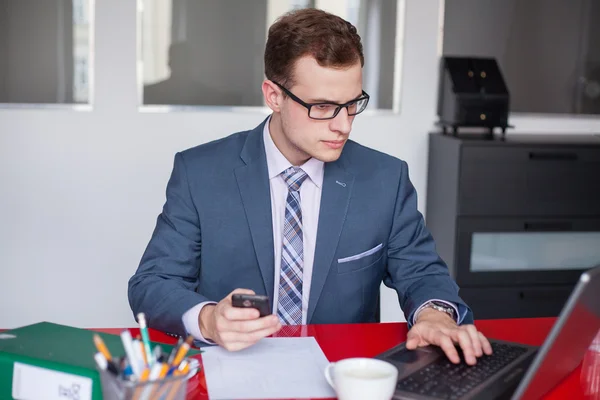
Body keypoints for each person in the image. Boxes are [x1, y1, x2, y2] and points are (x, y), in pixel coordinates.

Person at [128, 8, 492, 365]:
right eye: (323, 107)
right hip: (233, 370)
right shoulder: (200, 173)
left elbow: (423, 273)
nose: (344, 126)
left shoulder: (385, 178)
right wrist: (207, 318)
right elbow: (152, 284)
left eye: (352, 105)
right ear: (274, 96)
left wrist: (434, 315)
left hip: (342, 374)